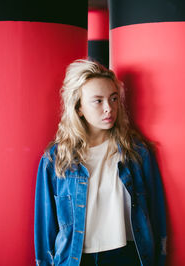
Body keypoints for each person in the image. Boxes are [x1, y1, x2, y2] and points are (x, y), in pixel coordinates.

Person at [34, 59, 167, 266]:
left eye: (113, 99)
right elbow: (46, 227)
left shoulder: (136, 152)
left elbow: (156, 214)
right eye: (98, 101)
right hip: (76, 259)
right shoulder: (56, 158)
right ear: (78, 108)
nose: (109, 108)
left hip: (128, 256)